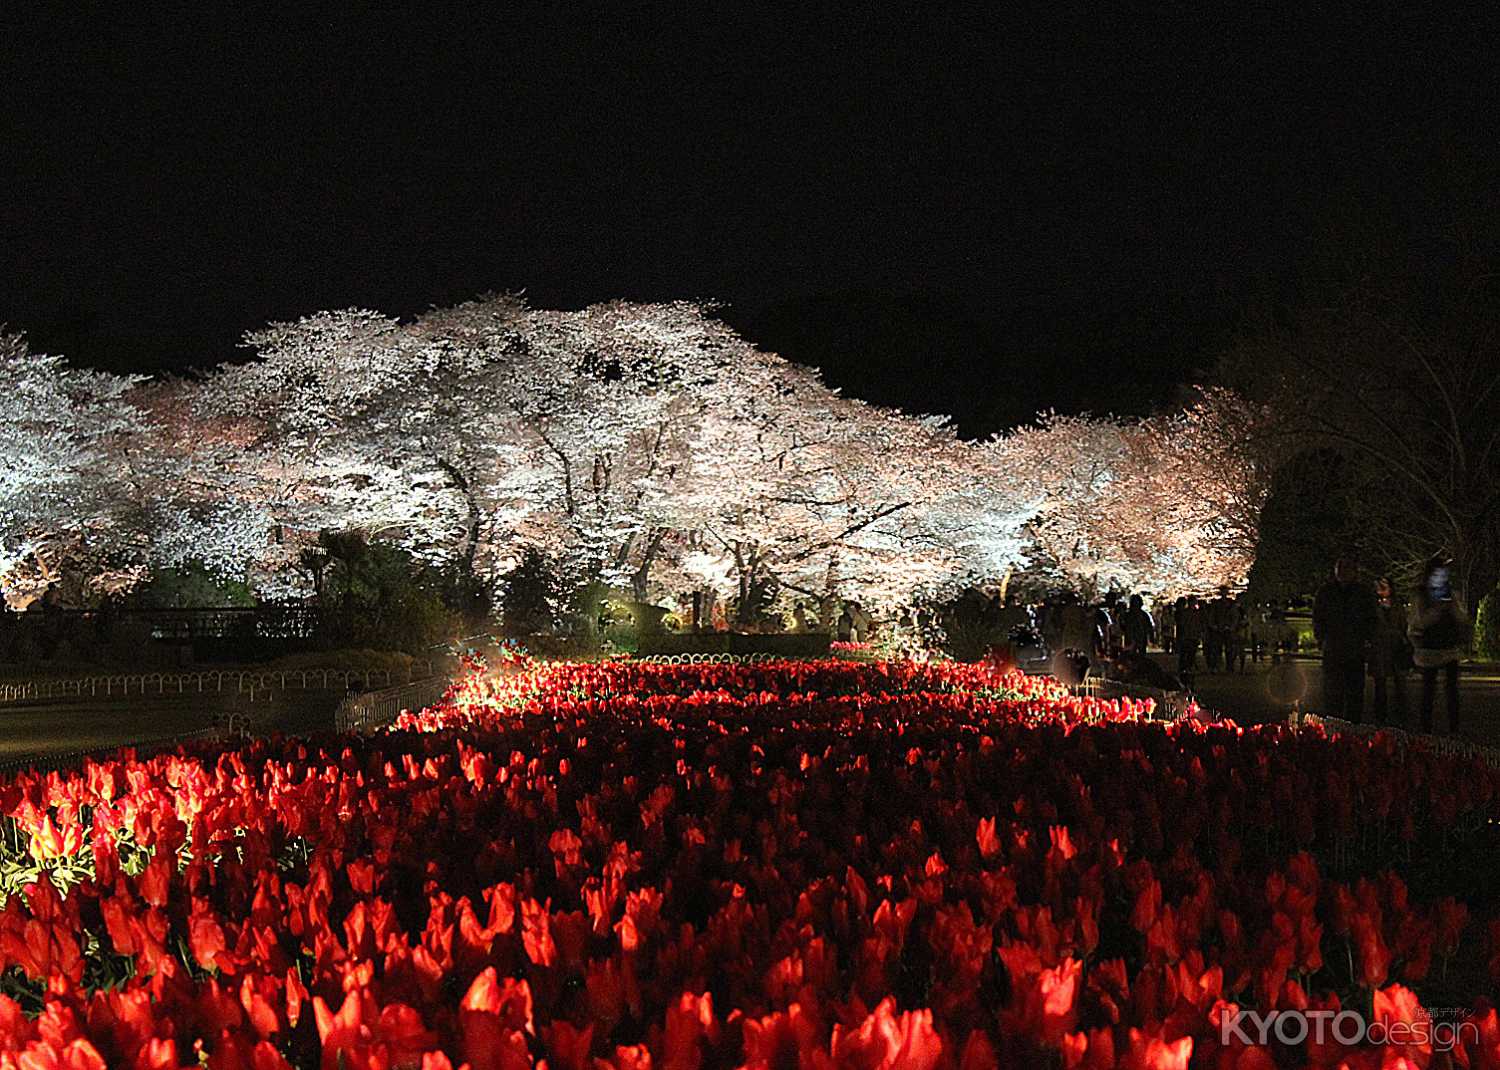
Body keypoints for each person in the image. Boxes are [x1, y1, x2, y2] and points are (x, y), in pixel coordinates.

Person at [1312, 559, 1377, 722]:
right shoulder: (1326, 592)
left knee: (1354, 692)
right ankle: (1335, 723)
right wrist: (1321, 637)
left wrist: (1367, 639)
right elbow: (1318, 617)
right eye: (1340, 569)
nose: (1343, 572)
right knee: (1333, 691)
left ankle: (1351, 726)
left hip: (1354, 647)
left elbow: (1371, 618)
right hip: (1334, 646)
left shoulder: (1362, 593)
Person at [1409, 555, 1467, 734]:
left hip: (1448, 647)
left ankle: (1454, 729)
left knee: (1451, 692)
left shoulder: (1449, 592)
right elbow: (1418, 621)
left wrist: (1457, 612)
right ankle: (1425, 729)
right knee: (1428, 691)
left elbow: (1460, 616)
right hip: (1430, 649)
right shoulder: (1420, 593)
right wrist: (1437, 611)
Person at [1370, 576, 1409, 724]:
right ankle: (1380, 716)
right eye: (1379, 585)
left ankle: (1401, 715)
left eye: (1384, 585)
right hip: (1379, 648)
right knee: (1380, 685)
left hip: (1395, 648)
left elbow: (1403, 625)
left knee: (1399, 684)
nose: (1381, 588)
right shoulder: (1373, 605)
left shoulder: (1397, 605)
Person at [1203, 586, 1237, 672]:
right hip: (1219, 629)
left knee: (1228, 649)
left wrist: (1231, 626)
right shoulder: (1218, 604)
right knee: (1218, 649)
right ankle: (1219, 665)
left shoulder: (1230, 604)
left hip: (1226, 629)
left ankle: (1228, 666)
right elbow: (1212, 616)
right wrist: (1214, 626)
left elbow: (1235, 616)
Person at [1175, 596, 1202, 680]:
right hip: (1188, 635)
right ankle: (1184, 668)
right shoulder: (1187, 613)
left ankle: (1187, 668)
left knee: (1191, 653)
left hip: (1192, 635)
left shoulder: (1194, 613)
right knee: (1186, 652)